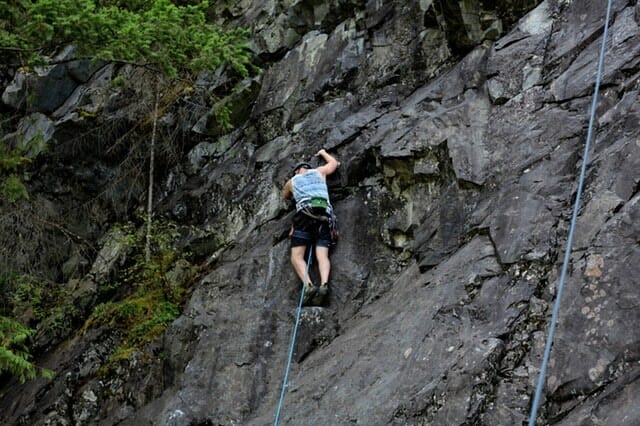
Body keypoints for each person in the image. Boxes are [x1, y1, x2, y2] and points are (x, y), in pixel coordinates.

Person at [282, 149, 340, 305]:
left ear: (296, 172)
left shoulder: (292, 181)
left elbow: (285, 196)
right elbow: (334, 164)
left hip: (305, 216)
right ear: (308, 168)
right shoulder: (319, 172)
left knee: (297, 256)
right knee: (322, 255)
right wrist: (323, 152)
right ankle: (324, 284)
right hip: (324, 215)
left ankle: (308, 285)